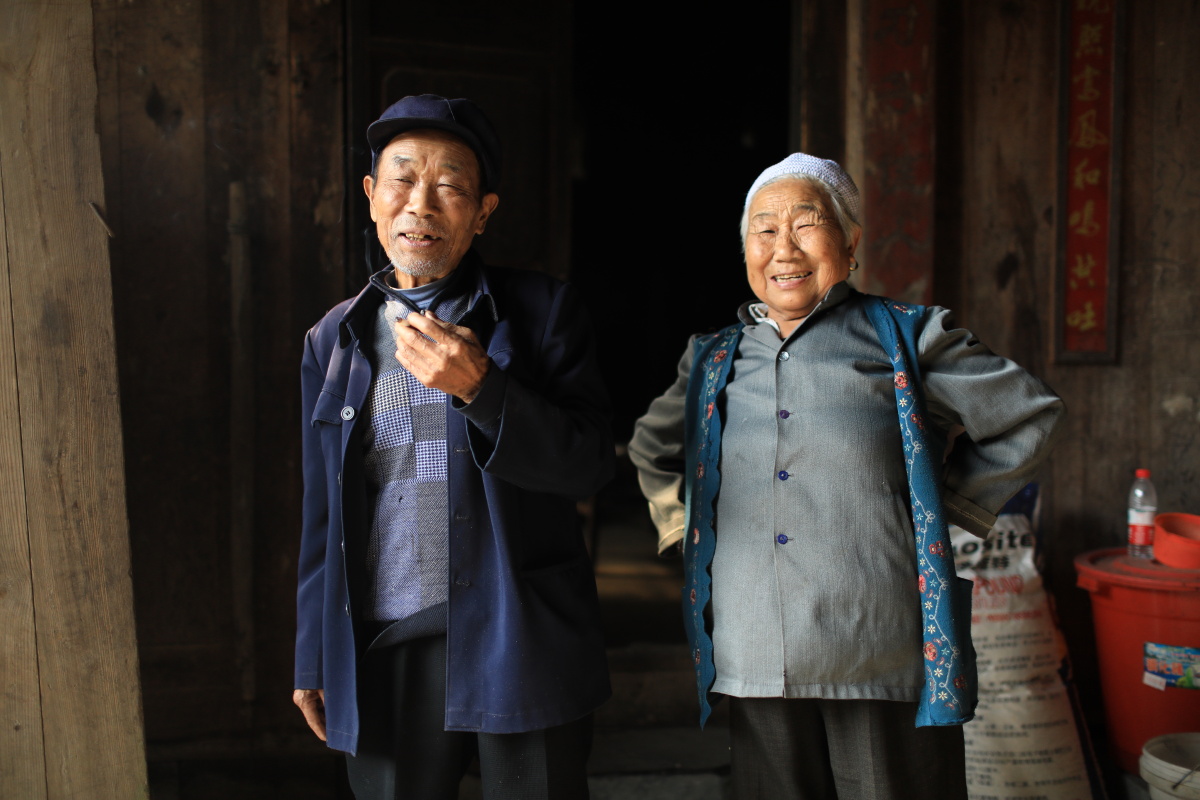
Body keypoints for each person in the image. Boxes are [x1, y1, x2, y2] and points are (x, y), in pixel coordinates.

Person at [628, 153, 1065, 800]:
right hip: (755, 649)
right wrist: (686, 529)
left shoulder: (905, 338)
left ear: (851, 242)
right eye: (764, 229)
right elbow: (651, 447)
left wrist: (945, 505)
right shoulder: (714, 357)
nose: (784, 248)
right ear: (746, 250)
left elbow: (1026, 414)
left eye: (805, 224)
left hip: (878, 646)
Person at [293, 94, 613, 800]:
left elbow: (588, 465)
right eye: (403, 179)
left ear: (483, 212)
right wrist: (313, 653)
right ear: (372, 195)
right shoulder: (334, 338)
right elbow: (323, 514)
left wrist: (483, 390)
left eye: (450, 187)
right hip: (385, 643)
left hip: (519, 638)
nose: (422, 204)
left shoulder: (543, 313)